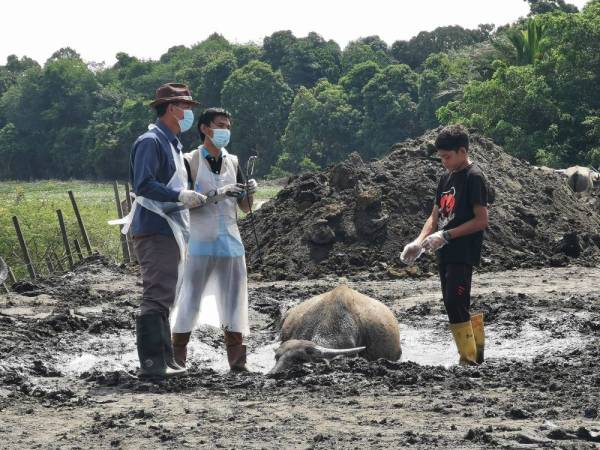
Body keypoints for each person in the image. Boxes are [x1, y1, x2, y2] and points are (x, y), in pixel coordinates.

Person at [170, 107, 257, 372]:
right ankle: (176, 359)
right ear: (205, 128)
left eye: (228, 126)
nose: (225, 131)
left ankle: (238, 363)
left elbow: (245, 208)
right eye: (220, 125)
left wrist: (248, 191)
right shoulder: (190, 161)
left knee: (234, 301)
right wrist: (217, 193)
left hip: (231, 242)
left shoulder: (234, 161)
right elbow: (183, 203)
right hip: (200, 242)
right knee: (189, 301)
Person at [130, 83, 207, 378]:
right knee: (157, 292)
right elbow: (144, 184)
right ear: (172, 108)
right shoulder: (150, 142)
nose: (189, 113)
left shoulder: (171, 143)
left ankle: (166, 358)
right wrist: (179, 197)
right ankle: (152, 363)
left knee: (167, 292)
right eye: (186, 107)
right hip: (154, 227)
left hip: (169, 226)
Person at [401, 124, 489, 365]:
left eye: (447, 157)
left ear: (463, 151)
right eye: (440, 157)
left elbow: (481, 220)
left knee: (454, 301)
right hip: (445, 252)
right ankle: (477, 355)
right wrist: (418, 242)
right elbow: (434, 217)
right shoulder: (445, 179)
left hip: (463, 251)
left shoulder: (475, 177)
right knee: (455, 302)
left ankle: (469, 359)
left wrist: (447, 235)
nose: (443, 162)